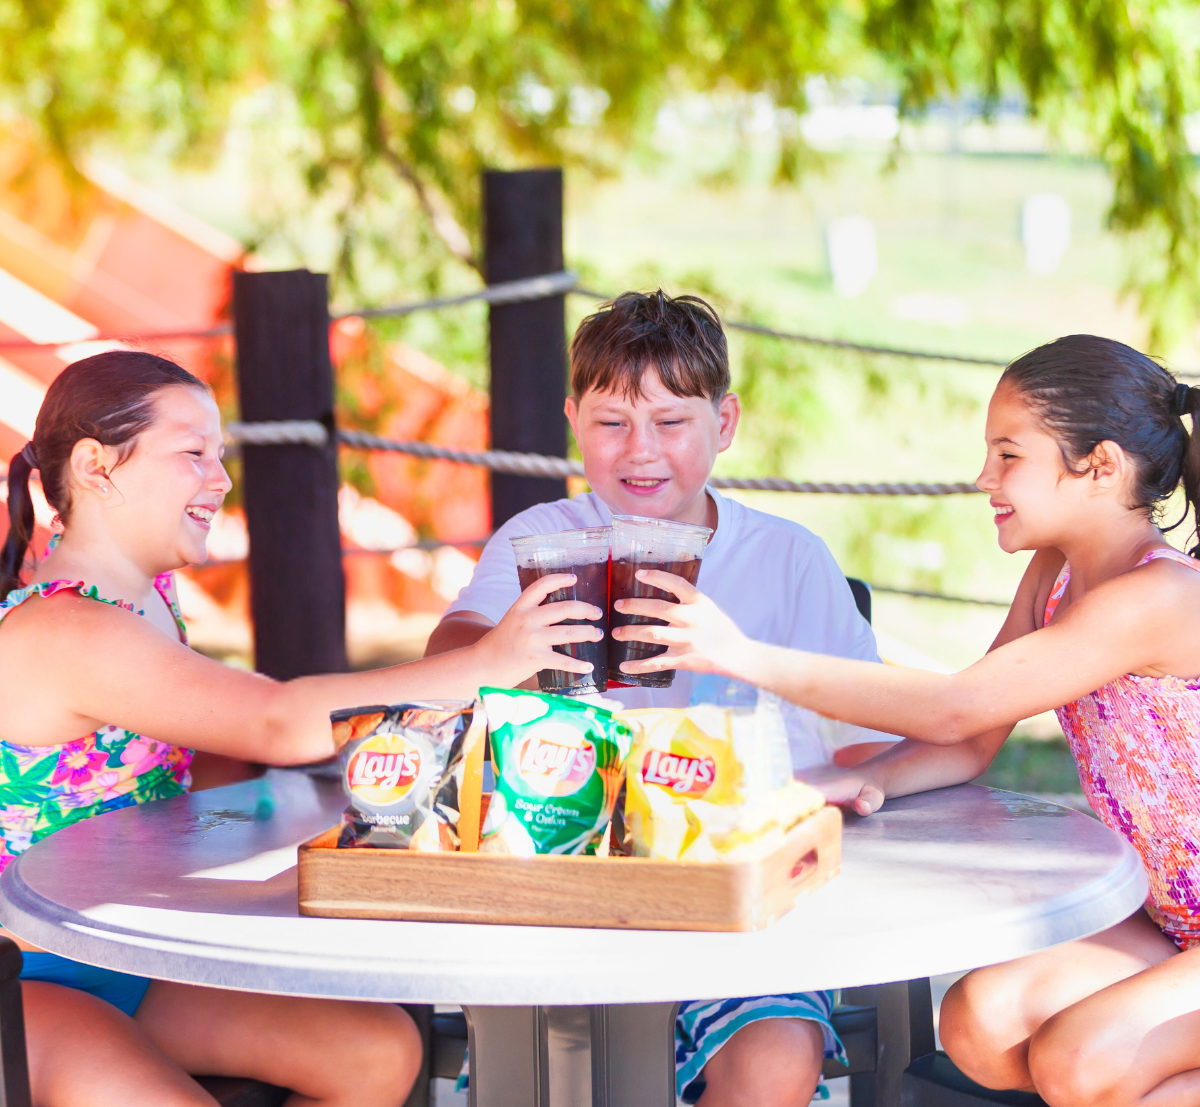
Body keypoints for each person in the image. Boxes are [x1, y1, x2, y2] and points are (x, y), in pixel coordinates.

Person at [0, 349, 603, 1107]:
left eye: (220, 455)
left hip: (126, 954)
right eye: (193, 453)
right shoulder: (66, 629)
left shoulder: (148, 599)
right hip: (29, 974)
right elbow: (275, 720)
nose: (221, 479)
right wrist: (487, 662)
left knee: (377, 1053)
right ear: (97, 467)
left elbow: (181, 770)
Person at [611, 333, 1200, 1107]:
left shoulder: (1156, 596)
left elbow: (954, 706)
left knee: (1081, 1062)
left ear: (1100, 467)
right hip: (1168, 917)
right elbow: (973, 739)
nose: (984, 477)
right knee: (980, 1023)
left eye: (1008, 456)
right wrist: (862, 781)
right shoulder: (1055, 572)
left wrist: (742, 655)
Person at [425, 290, 896, 1107]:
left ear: (725, 421)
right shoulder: (541, 542)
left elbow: (870, 746)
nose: (640, 451)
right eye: (611, 422)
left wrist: (830, 788)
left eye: (671, 422)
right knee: (549, 1072)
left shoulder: (788, 560)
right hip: (564, 895)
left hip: (740, 906)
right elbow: (444, 666)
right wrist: (511, 649)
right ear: (574, 422)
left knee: (776, 1059)